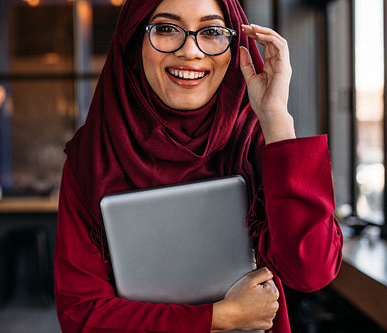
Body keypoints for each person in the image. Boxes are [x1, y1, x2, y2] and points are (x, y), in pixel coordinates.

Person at [54, 0, 343, 332]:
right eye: (165, 29)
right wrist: (218, 318)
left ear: (235, 47)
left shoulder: (255, 144)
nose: (190, 51)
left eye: (212, 32)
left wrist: (276, 117)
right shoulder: (91, 157)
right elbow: (80, 316)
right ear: (134, 44)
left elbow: (312, 270)